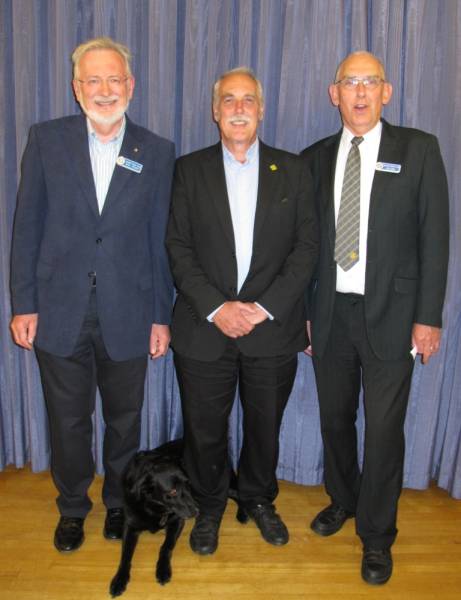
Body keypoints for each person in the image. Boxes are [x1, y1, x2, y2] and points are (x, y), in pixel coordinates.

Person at [10, 37, 175, 553]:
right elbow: (26, 225)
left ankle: (120, 504)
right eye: (93, 80)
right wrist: (24, 304)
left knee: (124, 421)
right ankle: (73, 506)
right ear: (76, 88)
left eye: (114, 80)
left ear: (131, 85)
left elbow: (159, 240)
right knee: (68, 420)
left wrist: (160, 316)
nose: (105, 90)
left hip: (129, 312)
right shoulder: (46, 140)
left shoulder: (157, 150)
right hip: (59, 312)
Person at [301, 51, 449, 584]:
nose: (359, 92)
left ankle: (378, 536)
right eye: (349, 82)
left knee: (384, 430)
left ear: (386, 92)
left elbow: (436, 239)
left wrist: (428, 317)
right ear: (332, 92)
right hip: (331, 313)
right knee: (335, 420)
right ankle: (343, 499)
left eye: (370, 82)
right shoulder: (314, 157)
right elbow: (306, 245)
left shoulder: (419, 149)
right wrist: (307, 314)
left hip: (395, 314)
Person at [166, 67, 318, 555]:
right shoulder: (189, 170)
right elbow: (177, 247)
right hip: (203, 329)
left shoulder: (293, 169)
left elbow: (306, 249)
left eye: (247, 99)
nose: (237, 107)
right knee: (204, 430)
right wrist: (216, 308)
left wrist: (263, 309)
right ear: (215, 111)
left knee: (264, 427)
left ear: (261, 109)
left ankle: (257, 498)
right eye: (228, 99)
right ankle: (208, 507)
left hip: (271, 331)